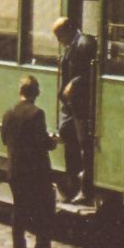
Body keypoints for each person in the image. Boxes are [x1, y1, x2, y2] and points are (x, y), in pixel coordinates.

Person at [0, 76, 61, 248]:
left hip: (15, 170)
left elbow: (4, 139)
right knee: (44, 211)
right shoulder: (37, 114)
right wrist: (53, 141)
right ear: (36, 93)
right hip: (35, 172)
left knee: (19, 211)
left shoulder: (8, 113)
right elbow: (42, 143)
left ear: (20, 92)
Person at [52, 16, 97, 203]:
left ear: (68, 30)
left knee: (85, 145)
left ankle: (85, 189)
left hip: (82, 105)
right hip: (71, 106)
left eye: (59, 35)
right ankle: (73, 180)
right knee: (66, 134)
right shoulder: (72, 45)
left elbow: (91, 73)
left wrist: (74, 84)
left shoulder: (84, 43)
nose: (58, 41)